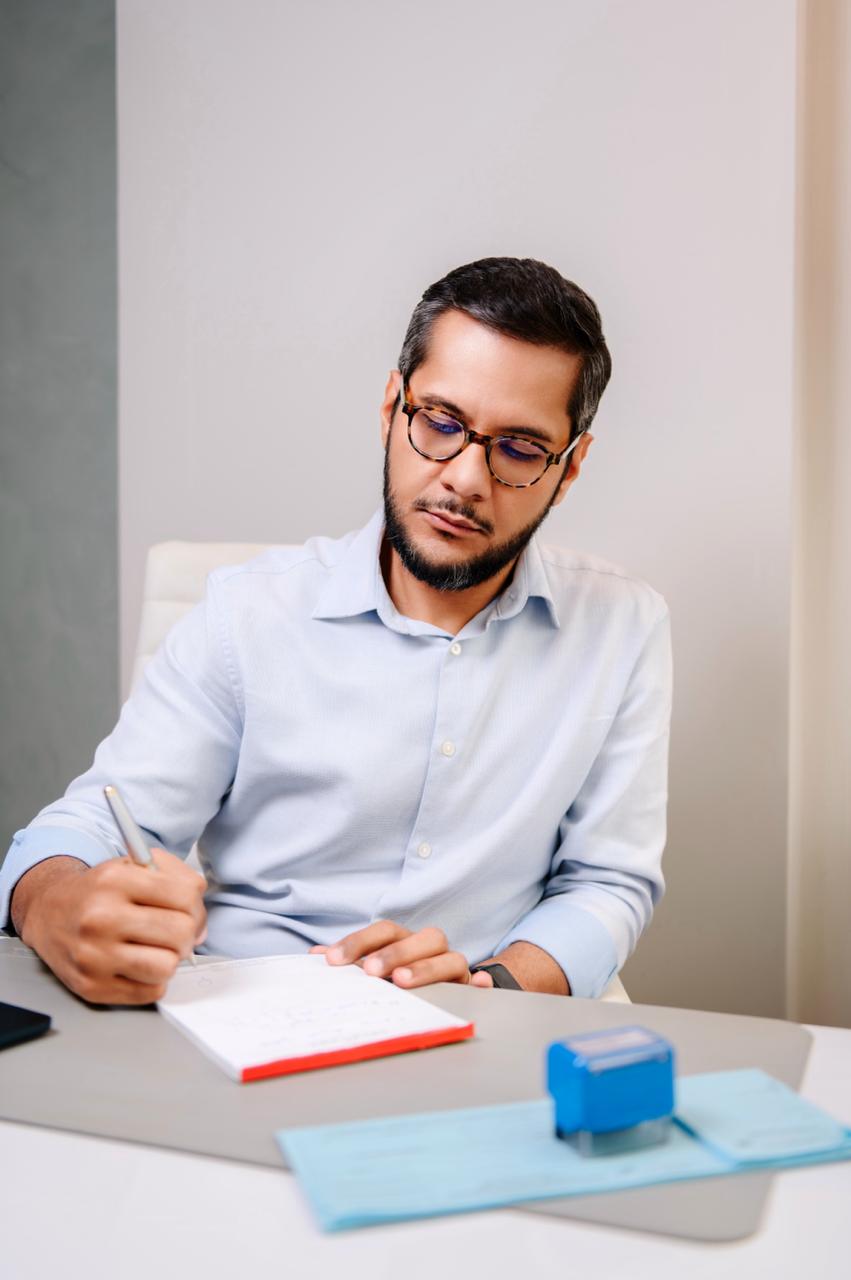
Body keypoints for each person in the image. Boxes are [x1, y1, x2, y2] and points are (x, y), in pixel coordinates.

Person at [1, 257, 671, 1005]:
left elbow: (606, 880)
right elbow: (91, 823)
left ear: (570, 466)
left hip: (477, 1024)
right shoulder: (245, 615)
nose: (464, 478)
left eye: (517, 449)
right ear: (392, 408)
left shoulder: (623, 627)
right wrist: (51, 904)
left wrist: (493, 986)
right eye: (440, 423)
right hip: (239, 1010)